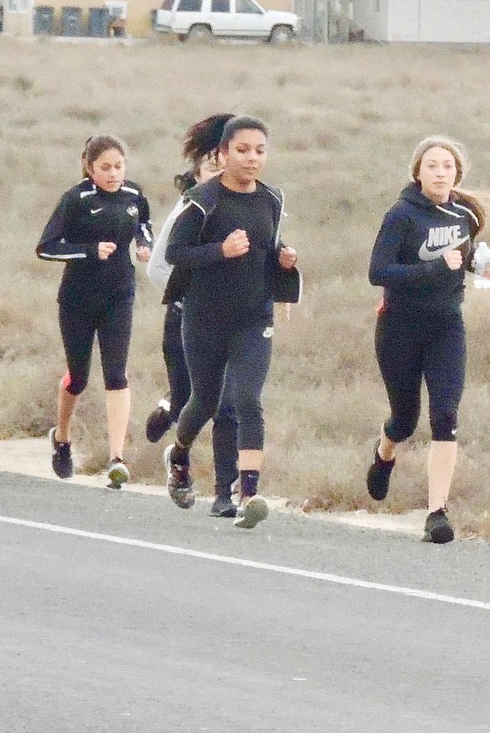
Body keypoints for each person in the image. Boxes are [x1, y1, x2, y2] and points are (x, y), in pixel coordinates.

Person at [162, 116, 301, 530]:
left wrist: (285, 260)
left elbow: (269, 246)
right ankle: (180, 456)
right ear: (222, 154)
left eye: (260, 151)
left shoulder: (272, 198)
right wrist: (220, 250)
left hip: (253, 318)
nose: (252, 159)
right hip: (204, 318)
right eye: (242, 150)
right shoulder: (203, 200)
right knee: (203, 403)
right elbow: (175, 254)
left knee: (247, 400)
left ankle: (249, 493)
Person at [365, 136, 490, 544]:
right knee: (405, 419)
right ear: (417, 172)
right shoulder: (401, 215)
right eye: (432, 165)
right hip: (399, 326)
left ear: (457, 173)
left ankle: (436, 512)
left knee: (445, 416)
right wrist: (436, 269)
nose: (440, 172)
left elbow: (466, 254)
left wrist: (481, 266)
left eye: (447, 166)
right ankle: (384, 452)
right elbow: (378, 272)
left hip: (446, 327)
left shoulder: (464, 215)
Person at [36, 135, 152, 488]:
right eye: (105, 167)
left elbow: (143, 225)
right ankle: (62, 437)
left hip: (119, 296)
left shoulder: (134, 195)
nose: (114, 173)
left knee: (116, 374)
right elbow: (46, 247)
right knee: (78, 377)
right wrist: (89, 250)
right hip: (77, 300)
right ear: (90, 168)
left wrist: (144, 245)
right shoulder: (76, 200)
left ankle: (116, 458)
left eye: (119, 166)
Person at [146, 112, 245, 517]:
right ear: (198, 171)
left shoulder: (253, 203)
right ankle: (176, 434)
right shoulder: (188, 210)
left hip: (235, 323)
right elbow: (157, 268)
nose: (220, 174)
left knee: (230, 405)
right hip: (186, 318)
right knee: (195, 400)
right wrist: (195, 290)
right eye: (211, 168)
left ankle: (225, 493)